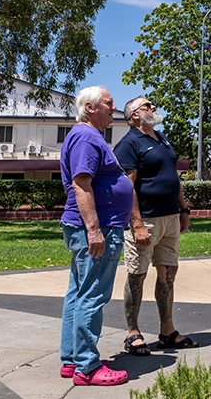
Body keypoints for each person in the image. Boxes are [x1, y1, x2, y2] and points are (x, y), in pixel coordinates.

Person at [59, 86, 132, 386]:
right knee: (92, 296)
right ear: (90, 107)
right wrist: (94, 230)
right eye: (109, 103)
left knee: (79, 293)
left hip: (91, 226)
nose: (114, 108)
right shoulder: (87, 136)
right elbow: (81, 184)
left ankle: (73, 360)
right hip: (97, 228)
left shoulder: (88, 136)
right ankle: (87, 367)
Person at [113, 97, 197, 356]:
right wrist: (136, 223)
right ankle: (133, 333)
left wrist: (183, 209)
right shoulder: (129, 143)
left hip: (170, 218)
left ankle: (167, 332)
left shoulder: (162, 139)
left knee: (168, 273)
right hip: (145, 220)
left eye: (152, 105)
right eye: (147, 106)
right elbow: (127, 187)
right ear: (134, 115)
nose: (153, 107)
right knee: (137, 275)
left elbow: (174, 177)